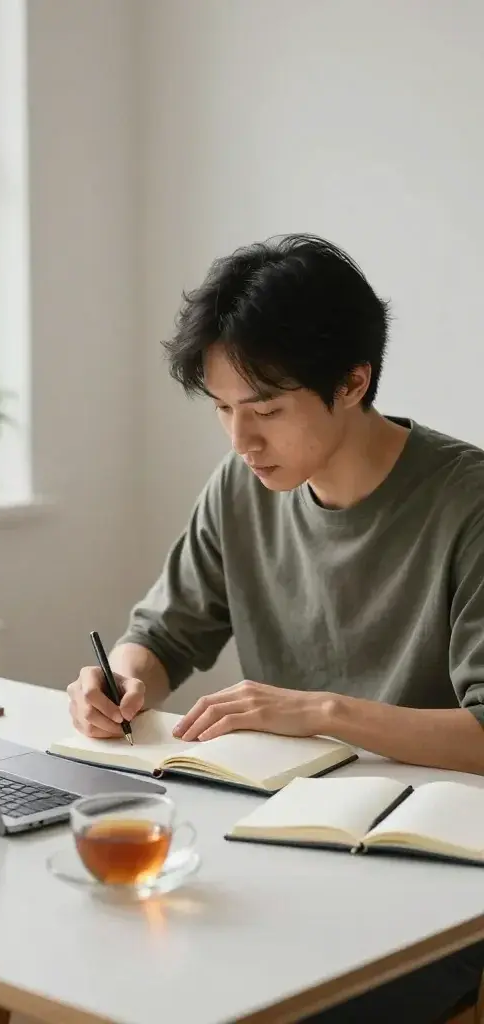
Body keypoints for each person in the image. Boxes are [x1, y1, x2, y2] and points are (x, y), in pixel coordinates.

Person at [68, 234, 484, 1021]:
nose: (240, 440)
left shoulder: (469, 505)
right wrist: (121, 678)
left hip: (430, 873)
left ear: (353, 382)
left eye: (265, 410)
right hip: (274, 841)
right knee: (108, 956)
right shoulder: (241, 486)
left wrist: (319, 710)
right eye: (223, 409)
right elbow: (162, 636)